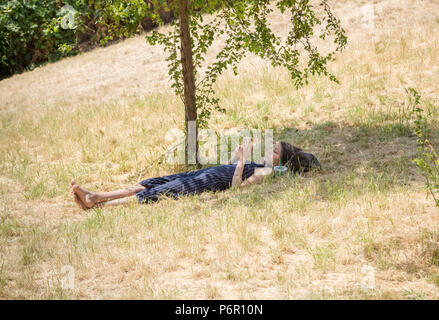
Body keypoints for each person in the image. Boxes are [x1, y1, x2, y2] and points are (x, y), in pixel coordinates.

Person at [71, 139, 320, 209]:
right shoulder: (262, 164)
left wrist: (242, 162)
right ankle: (97, 196)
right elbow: (230, 169)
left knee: (158, 193)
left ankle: (98, 203)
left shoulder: (266, 172)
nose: (271, 149)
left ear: (280, 159)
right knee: (153, 183)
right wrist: (235, 158)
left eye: (275, 149)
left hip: (206, 183)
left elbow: (236, 188)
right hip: (207, 173)